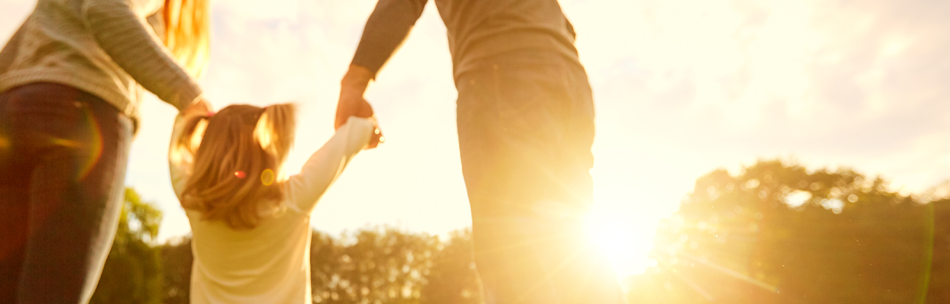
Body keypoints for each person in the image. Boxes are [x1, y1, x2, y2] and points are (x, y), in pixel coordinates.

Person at [334, 0, 621, 303]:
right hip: (568, 77)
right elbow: (566, 26)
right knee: (573, 241)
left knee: (510, 245)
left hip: (502, 70)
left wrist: (354, 82)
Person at [0, 0, 211, 302]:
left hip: (4, 122)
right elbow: (106, 9)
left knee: (2, 294)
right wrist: (193, 100)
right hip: (79, 119)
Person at [168, 103, 381, 303]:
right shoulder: (293, 199)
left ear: (206, 150)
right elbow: (350, 138)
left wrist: (194, 110)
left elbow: (179, 150)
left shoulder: (192, 200)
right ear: (266, 149)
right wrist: (368, 129)